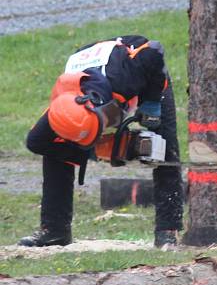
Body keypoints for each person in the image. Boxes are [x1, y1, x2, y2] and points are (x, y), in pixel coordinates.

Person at [19, 35, 183, 247]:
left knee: (163, 148)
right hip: (90, 78)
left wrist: (151, 103)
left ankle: (167, 231)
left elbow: (154, 50)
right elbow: (35, 143)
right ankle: (54, 231)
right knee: (55, 148)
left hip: (146, 74)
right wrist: (96, 151)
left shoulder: (125, 78)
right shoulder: (59, 109)